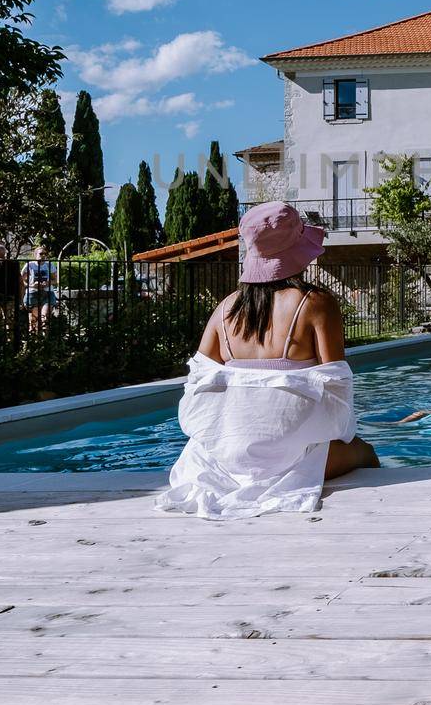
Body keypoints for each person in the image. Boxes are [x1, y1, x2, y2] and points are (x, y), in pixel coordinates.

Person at [156, 201, 379, 519]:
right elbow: (337, 392)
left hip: (225, 462)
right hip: (291, 458)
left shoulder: (225, 309)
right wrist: (339, 439)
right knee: (366, 454)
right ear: (298, 251)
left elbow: (199, 388)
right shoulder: (315, 304)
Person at [22, 243, 58, 335]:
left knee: (45, 317)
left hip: (47, 293)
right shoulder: (29, 265)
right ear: (35, 255)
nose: (43, 256)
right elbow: (22, 281)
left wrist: (47, 283)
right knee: (33, 319)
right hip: (33, 293)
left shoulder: (49, 265)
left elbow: (55, 280)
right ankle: (34, 341)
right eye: (41, 254)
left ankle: (46, 340)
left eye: (44, 254)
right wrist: (32, 285)